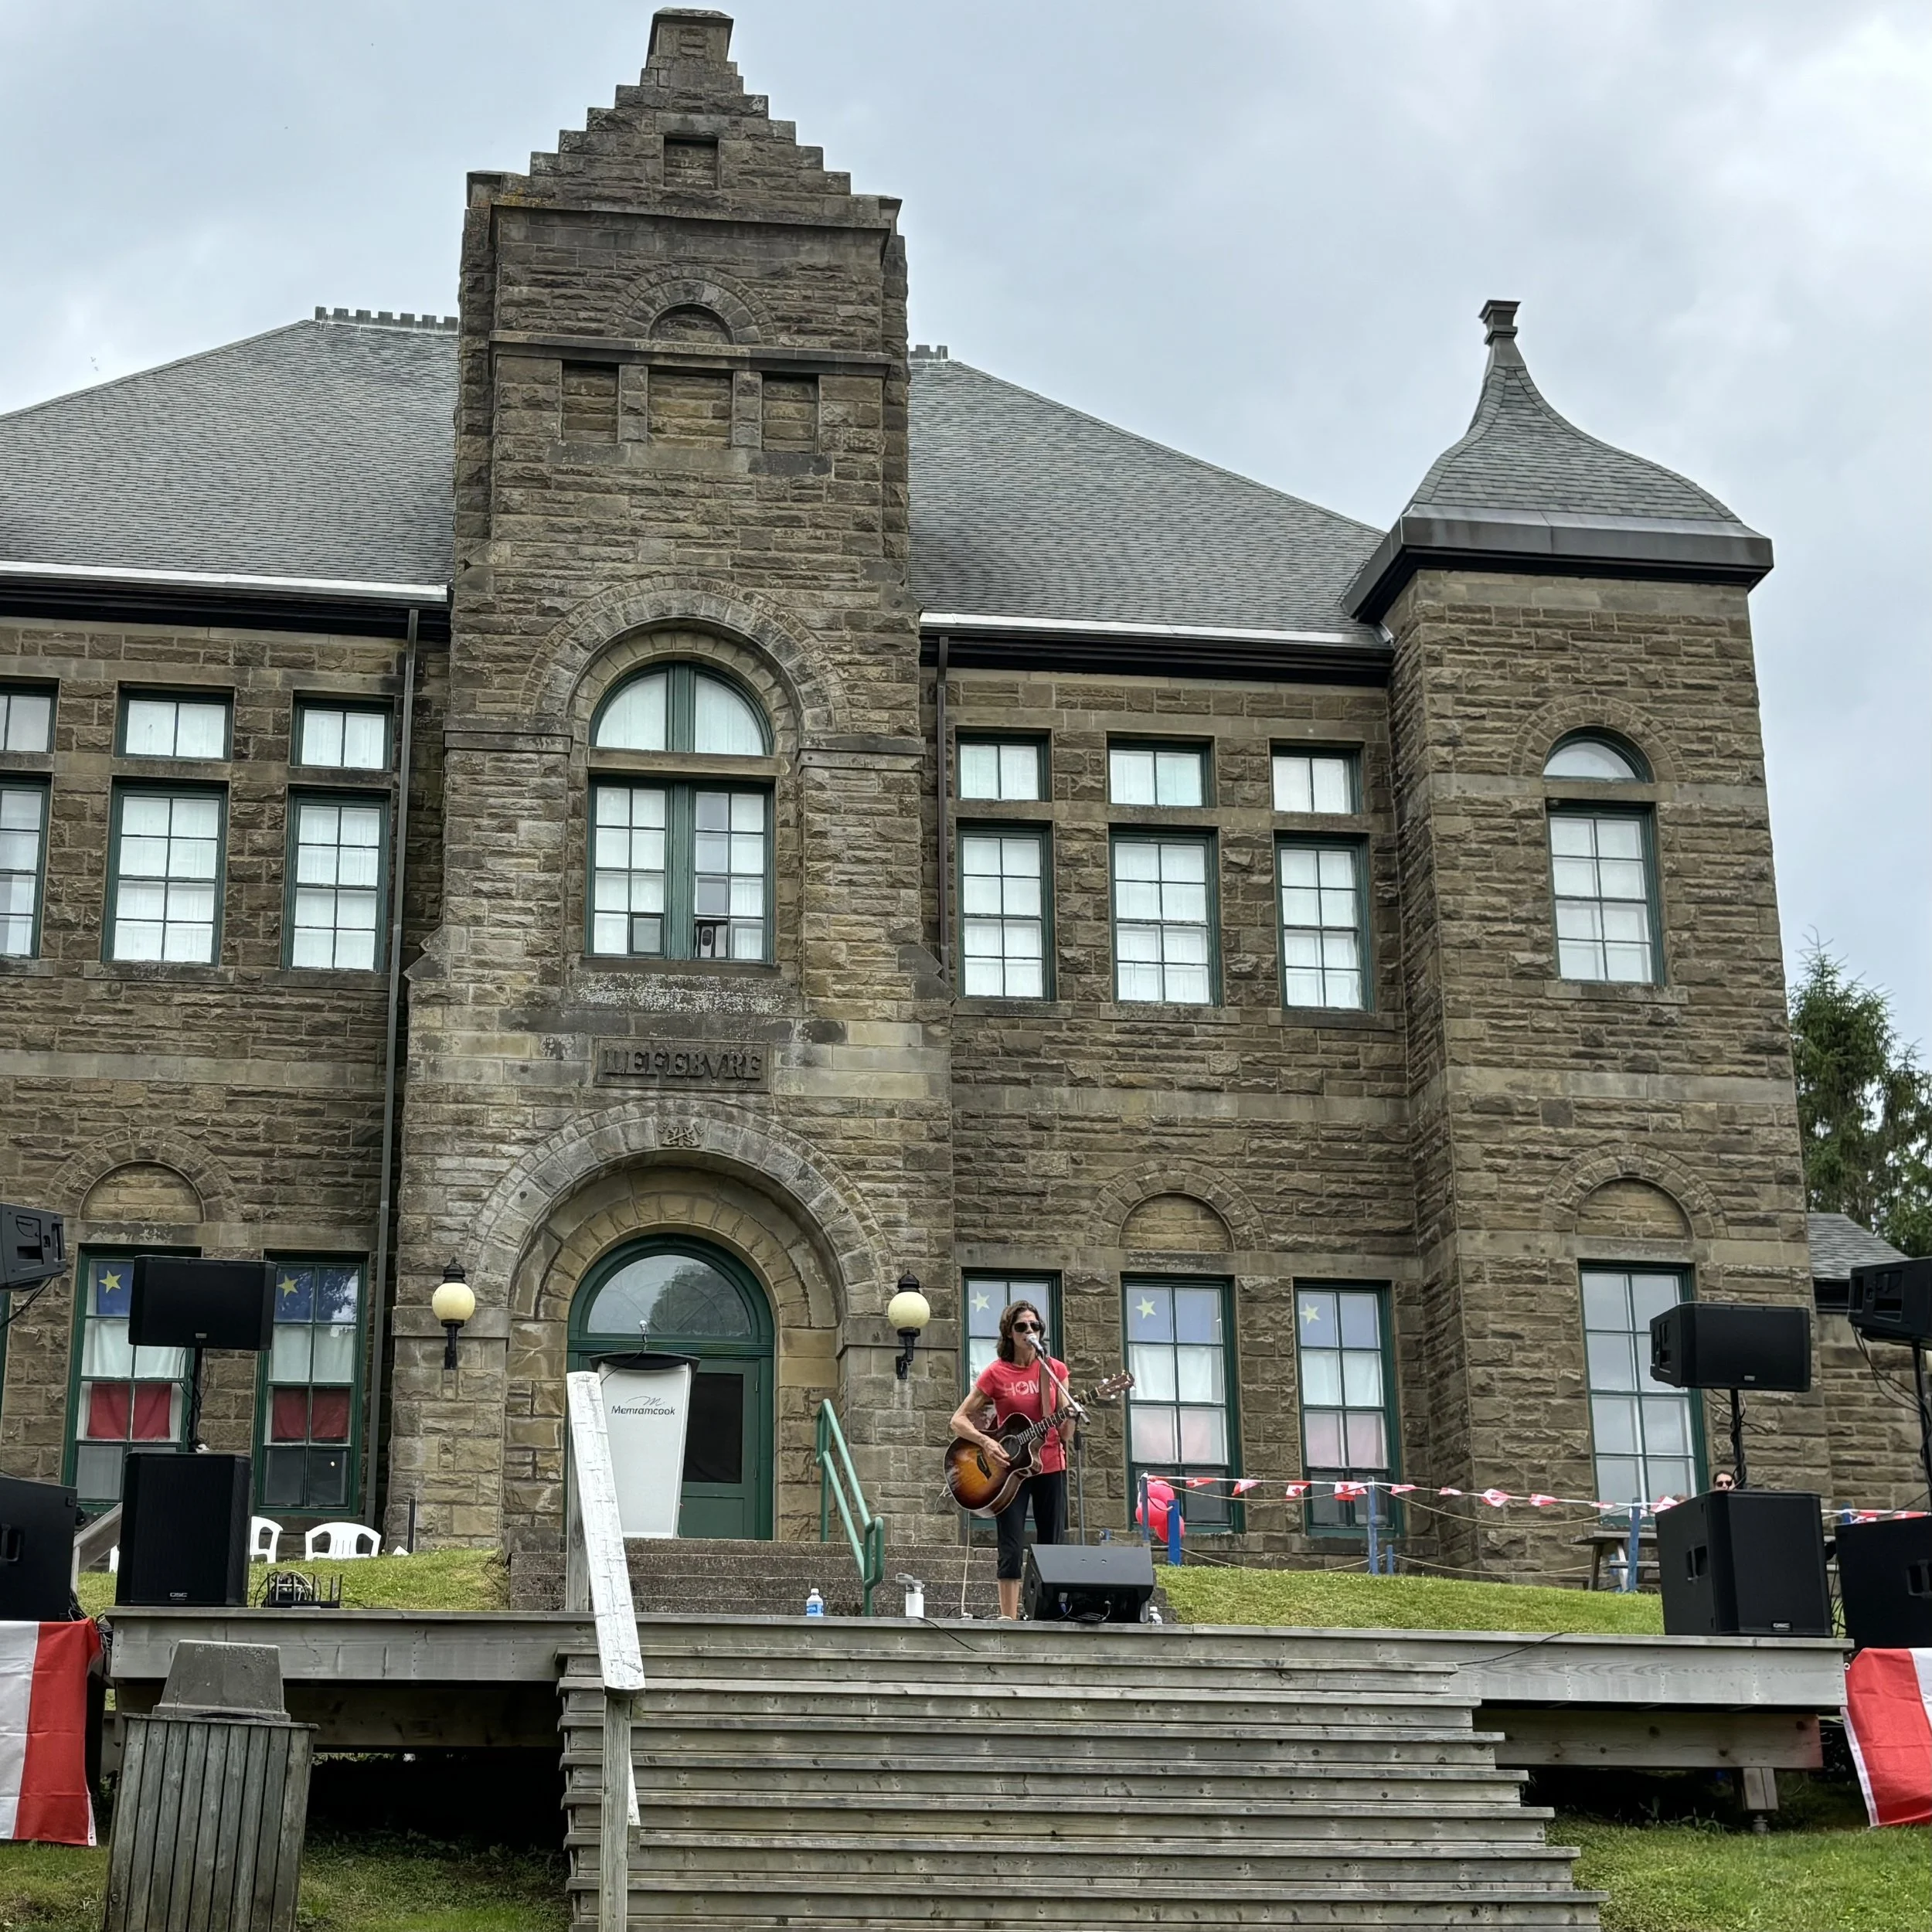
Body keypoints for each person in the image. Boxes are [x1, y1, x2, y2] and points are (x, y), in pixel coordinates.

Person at [948, 1299, 1068, 1620]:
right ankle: (1009, 1618)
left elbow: (1065, 1433)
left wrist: (1070, 1417)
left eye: (1035, 1326)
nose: (1030, 1331)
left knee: (1051, 1543)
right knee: (1012, 1543)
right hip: (1007, 1471)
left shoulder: (1054, 1370)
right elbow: (958, 1420)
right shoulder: (997, 1373)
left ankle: (1047, 1612)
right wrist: (986, 1442)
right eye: (1022, 1327)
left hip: (1050, 1464)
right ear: (1009, 1333)